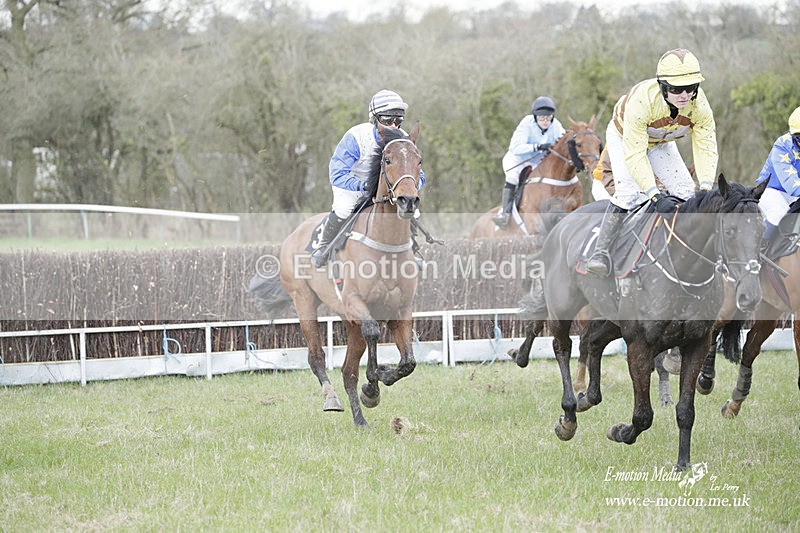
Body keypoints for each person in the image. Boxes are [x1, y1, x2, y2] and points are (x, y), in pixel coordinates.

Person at [585, 48, 718, 277]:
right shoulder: (642, 102)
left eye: (691, 88)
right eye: (677, 89)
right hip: (625, 137)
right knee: (629, 193)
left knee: (687, 192)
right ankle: (601, 252)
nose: (685, 95)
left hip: (661, 140)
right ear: (663, 86)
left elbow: (706, 146)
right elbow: (636, 154)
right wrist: (654, 194)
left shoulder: (700, 105)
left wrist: (706, 187)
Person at [310, 89, 425, 268]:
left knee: (413, 210)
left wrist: (409, 186)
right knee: (344, 209)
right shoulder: (356, 136)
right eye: (388, 120)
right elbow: (337, 172)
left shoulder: (403, 141)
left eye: (398, 120)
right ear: (375, 118)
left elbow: (419, 173)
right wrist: (364, 186)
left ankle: (413, 250)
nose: (394, 125)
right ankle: (323, 248)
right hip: (353, 186)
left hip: (387, 188)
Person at [493, 96, 566, 227]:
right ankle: (505, 214)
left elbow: (564, 142)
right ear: (535, 117)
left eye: (548, 118)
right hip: (517, 160)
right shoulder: (526, 124)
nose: (545, 121)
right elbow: (515, 147)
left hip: (537, 162)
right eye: (541, 118)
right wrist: (537, 146)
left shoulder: (556, 125)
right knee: (513, 178)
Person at [755, 105, 800, 252]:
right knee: (779, 213)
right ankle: (758, 252)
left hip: (795, 195)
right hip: (771, 190)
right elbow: (791, 182)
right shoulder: (782, 145)